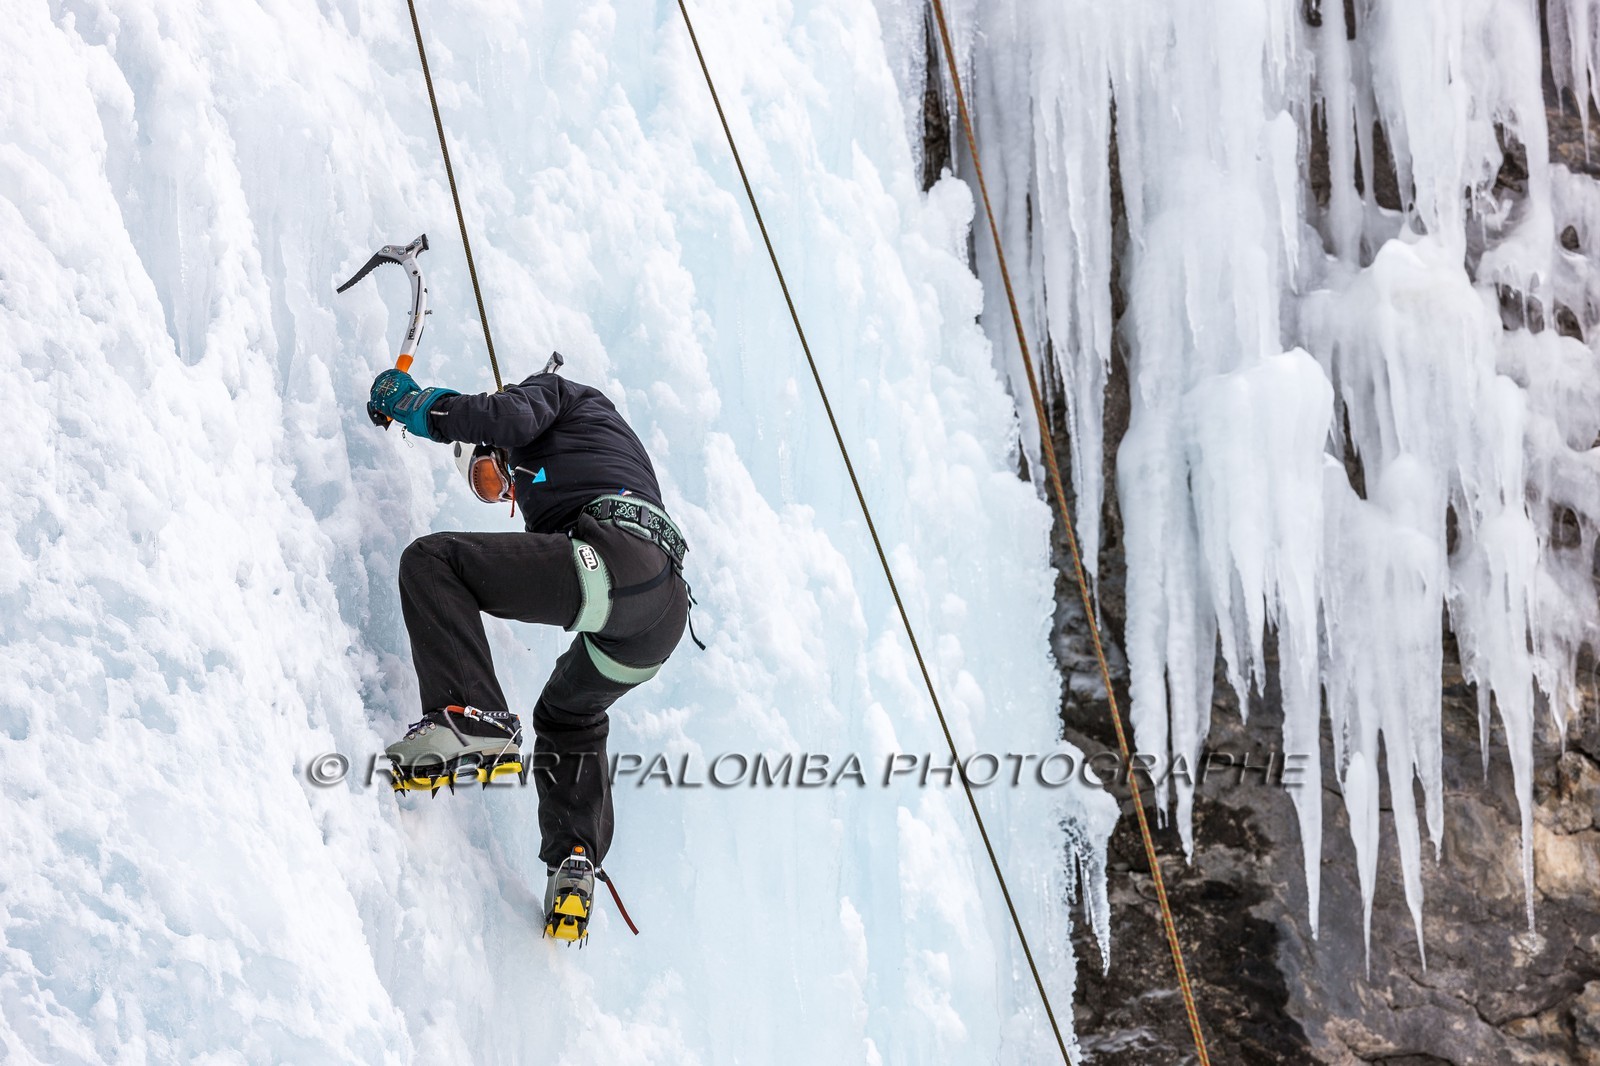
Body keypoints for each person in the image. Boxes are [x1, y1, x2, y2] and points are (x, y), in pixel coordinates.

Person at [367, 359, 692, 941]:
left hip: (619, 558)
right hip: (658, 618)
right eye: (488, 490)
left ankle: (471, 714)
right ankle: (575, 861)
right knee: (568, 715)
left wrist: (419, 407)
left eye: (491, 473)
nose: (503, 489)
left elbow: (507, 415)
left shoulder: (557, 395)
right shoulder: (580, 464)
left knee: (434, 562)